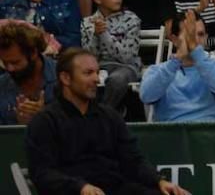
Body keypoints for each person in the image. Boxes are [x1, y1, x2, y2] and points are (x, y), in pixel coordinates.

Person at [26, 48, 191, 195]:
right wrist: (80, 187)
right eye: (88, 73)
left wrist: (159, 181)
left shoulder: (109, 116)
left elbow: (133, 160)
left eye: (97, 72)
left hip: (115, 188)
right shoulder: (45, 121)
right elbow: (43, 173)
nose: (97, 79)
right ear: (66, 78)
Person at [139, 10, 215, 122]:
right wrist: (175, 62)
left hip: (210, 133)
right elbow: (146, 96)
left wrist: (196, 52)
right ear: (175, 40)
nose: (195, 40)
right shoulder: (157, 71)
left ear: (206, 37)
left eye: (200, 34)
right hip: (173, 134)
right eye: (189, 35)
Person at [80, 0, 141, 112]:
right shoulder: (87, 22)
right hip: (99, 67)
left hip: (125, 67)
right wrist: (95, 35)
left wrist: (104, 34)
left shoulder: (131, 19)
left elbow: (126, 57)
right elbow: (90, 57)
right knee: (82, 78)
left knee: (116, 79)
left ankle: (102, 114)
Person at [0, 22, 58, 126]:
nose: (9, 69)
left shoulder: (65, 78)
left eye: (15, 62)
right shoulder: (2, 86)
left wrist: (44, 119)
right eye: (5, 63)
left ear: (33, 53)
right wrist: (20, 126)